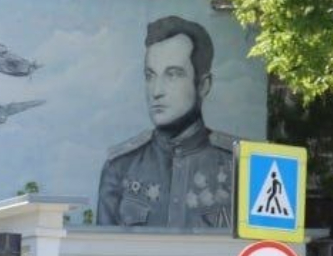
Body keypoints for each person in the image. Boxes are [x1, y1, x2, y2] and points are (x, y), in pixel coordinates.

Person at [96, 15, 237, 230]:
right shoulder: (121, 168)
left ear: (203, 85)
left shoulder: (240, 166)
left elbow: (265, 252)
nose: (156, 91)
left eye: (172, 74)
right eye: (150, 76)